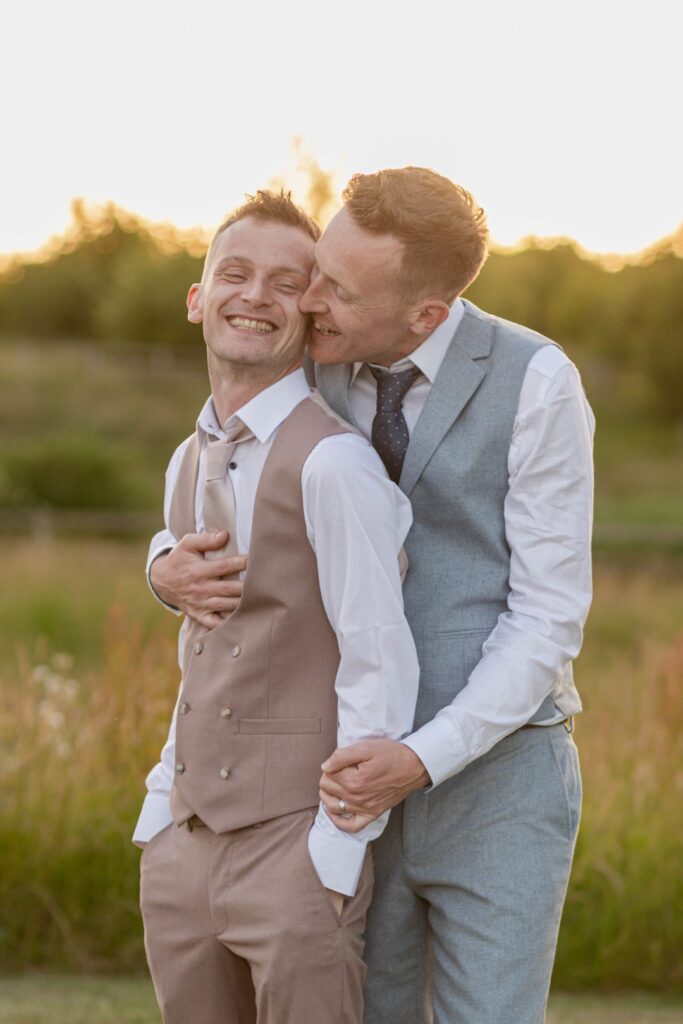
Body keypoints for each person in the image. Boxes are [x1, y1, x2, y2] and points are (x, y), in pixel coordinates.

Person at [149, 168, 595, 1024]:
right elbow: (226, 458)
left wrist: (424, 756)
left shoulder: (537, 382)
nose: (306, 299)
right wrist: (163, 561)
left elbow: (546, 618)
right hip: (343, 772)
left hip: (494, 778)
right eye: (318, 267)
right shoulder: (317, 363)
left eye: (334, 288)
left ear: (423, 316)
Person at [132, 189, 419, 1024]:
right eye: (235, 273)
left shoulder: (335, 464)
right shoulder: (187, 461)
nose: (254, 296)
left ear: (314, 312)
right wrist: (159, 811)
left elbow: (378, 660)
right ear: (198, 297)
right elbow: (204, 645)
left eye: (286, 282)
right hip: (183, 843)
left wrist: (332, 855)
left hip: (294, 847)